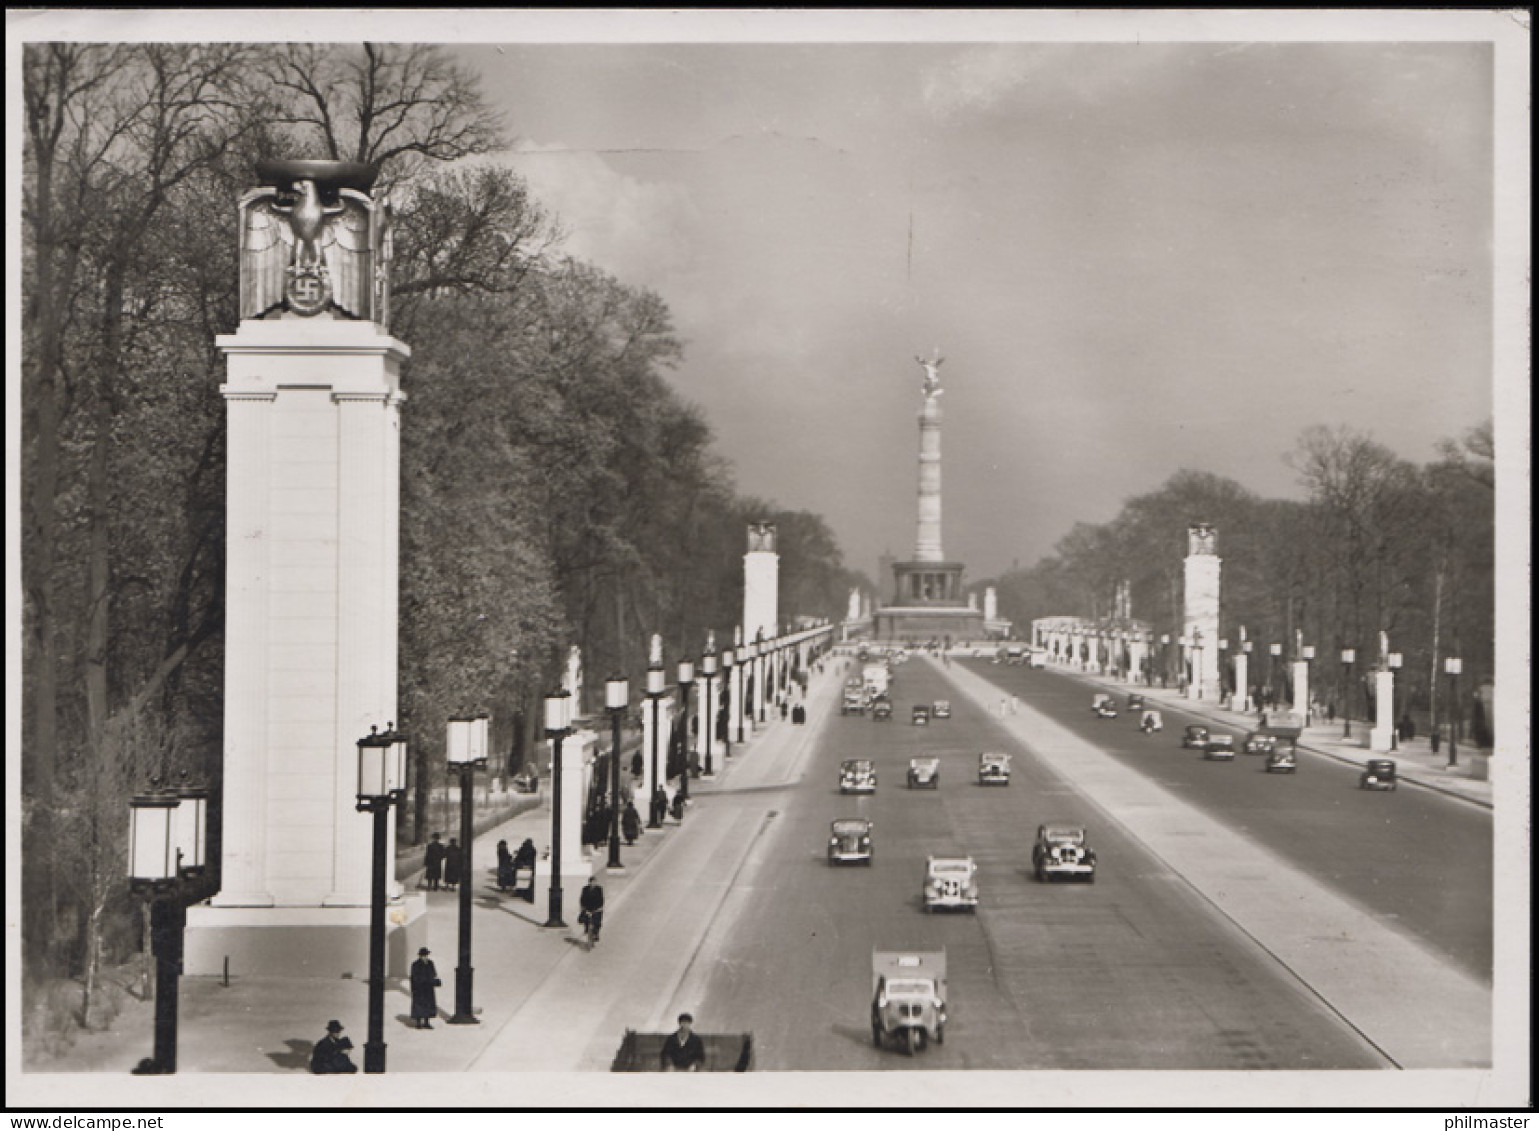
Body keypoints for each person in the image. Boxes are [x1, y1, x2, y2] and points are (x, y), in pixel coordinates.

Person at [410, 947, 440, 1029]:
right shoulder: (415, 964)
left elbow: (434, 973)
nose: (425, 957)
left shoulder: (430, 963)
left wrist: (432, 980)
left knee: (428, 1005)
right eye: (423, 955)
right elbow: (414, 977)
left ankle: (426, 1022)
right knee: (419, 1005)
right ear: (420, 956)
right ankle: (418, 1023)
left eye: (426, 955)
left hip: (428, 988)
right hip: (419, 988)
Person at [578, 875, 605, 945]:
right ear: (589, 882)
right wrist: (583, 908)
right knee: (586, 920)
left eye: (594, 882)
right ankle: (586, 930)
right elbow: (582, 899)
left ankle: (596, 933)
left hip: (596, 908)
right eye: (592, 882)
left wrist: (600, 907)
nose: (593, 883)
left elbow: (601, 899)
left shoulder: (599, 889)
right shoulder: (585, 889)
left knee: (597, 921)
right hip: (588, 908)